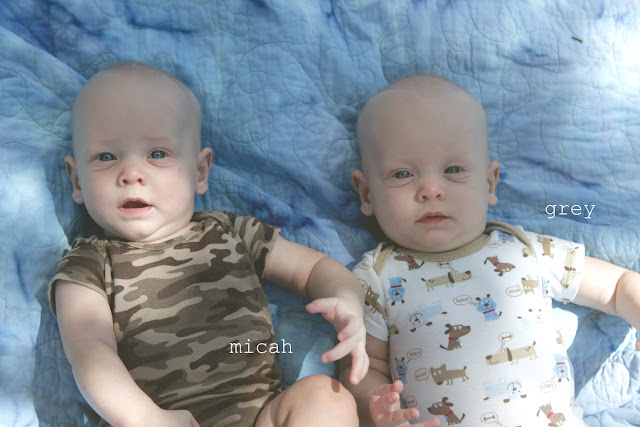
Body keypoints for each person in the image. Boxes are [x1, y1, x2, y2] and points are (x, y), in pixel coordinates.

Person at [49, 61, 369, 427]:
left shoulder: (231, 233)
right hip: (155, 421)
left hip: (260, 417)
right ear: (77, 180)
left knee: (326, 396)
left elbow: (314, 269)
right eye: (106, 157)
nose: (131, 173)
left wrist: (346, 301)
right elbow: (89, 352)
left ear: (200, 171)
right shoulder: (88, 265)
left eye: (157, 154)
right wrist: (144, 417)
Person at [342, 74, 640, 427]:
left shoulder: (526, 250)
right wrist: (375, 406)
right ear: (366, 194)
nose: (431, 189)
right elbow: (363, 367)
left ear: (488, 183)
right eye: (402, 174)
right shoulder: (376, 277)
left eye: (453, 169)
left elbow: (617, 286)